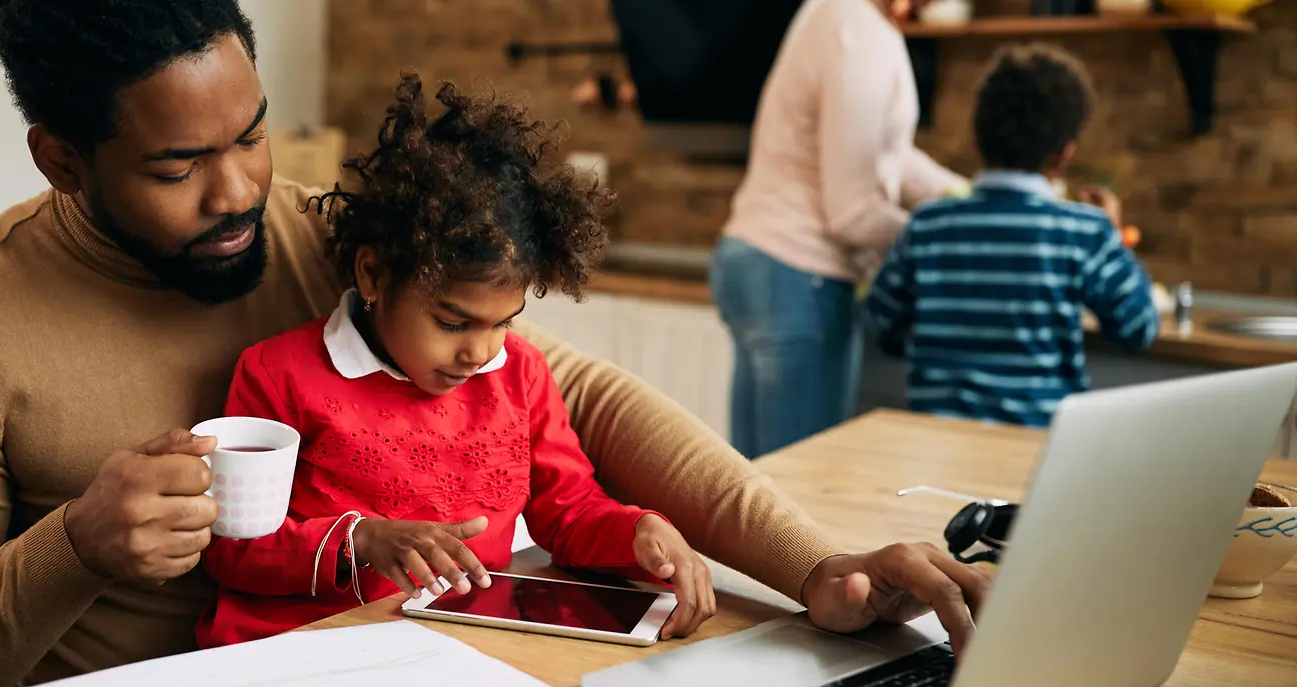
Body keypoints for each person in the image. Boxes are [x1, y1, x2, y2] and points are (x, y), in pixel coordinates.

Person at [0, 2, 991, 687]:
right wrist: (75, 546)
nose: (240, 191)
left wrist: (814, 568)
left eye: (251, 133)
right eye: (177, 168)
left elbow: (576, 399)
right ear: (61, 161)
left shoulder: (334, 241)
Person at [197, 74, 715, 648]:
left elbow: (570, 509)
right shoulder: (278, 374)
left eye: (503, 322)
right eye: (451, 322)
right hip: (295, 651)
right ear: (372, 275)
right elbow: (230, 549)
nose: (479, 351)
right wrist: (361, 540)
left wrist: (640, 530)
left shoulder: (519, 375)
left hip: (452, 652)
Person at [709, 0, 967, 459]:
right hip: (797, 271)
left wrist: (973, 200)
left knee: (756, 480)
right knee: (796, 488)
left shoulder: (846, 16)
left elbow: (890, 152)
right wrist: (953, 239)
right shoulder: (857, 30)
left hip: (759, 257)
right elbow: (852, 214)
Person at [863, 45, 1159, 427]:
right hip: (1036, 451)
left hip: (935, 443)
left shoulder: (927, 226)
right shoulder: (1084, 231)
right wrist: (1115, 237)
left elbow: (880, 323)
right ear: (1064, 154)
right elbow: (1138, 328)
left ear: (976, 140)